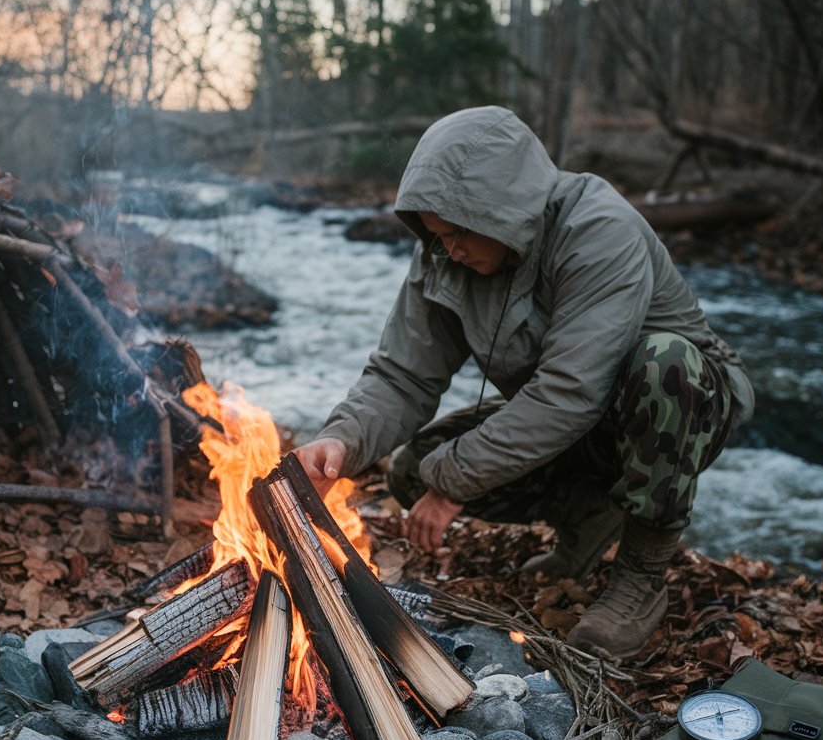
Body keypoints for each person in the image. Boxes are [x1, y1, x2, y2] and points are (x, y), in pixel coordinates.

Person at [296, 105, 754, 662]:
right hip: (576, 420)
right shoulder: (446, 254)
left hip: (681, 408)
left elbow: (570, 390)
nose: (448, 248)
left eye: (458, 232)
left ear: (503, 211)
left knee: (665, 364)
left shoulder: (598, 231)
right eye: (436, 235)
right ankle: (588, 517)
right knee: (414, 469)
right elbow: (403, 374)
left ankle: (640, 577)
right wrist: (340, 440)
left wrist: (455, 483)